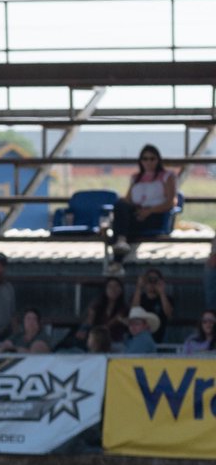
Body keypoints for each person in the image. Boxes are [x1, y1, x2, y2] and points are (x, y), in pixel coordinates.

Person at [108, 145, 178, 274]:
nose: (149, 162)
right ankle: (120, 244)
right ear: (141, 161)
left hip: (156, 215)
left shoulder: (167, 176)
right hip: (137, 214)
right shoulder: (136, 178)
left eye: (152, 158)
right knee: (120, 205)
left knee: (121, 227)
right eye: (145, 159)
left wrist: (149, 211)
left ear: (158, 160)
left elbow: (171, 202)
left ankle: (117, 259)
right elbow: (128, 200)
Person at [74, 276, 129, 347]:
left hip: (115, 341)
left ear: (121, 290)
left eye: (116, 286)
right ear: (105, 289)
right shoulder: (97, 305)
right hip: (95, 341)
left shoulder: (124, 308)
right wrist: (83, 330)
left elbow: (111, 324)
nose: (113, 289)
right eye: (110, 287)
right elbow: (89, 321)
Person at [129, 266, 173, 344]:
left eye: (155, 280)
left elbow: (169, 314)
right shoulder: (139, 297)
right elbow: (134, 311)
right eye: (149, 280)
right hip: (139, 338)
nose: (152, 283)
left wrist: (162, 292)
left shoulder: (166, 298)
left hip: (160, 337)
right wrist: (139, 287)